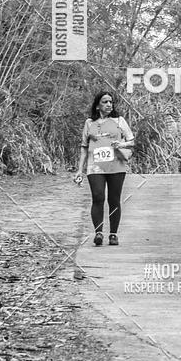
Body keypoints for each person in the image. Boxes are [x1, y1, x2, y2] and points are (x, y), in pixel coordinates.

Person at [75, 91, 135, 246]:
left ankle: (113, 235)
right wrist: (79, 170)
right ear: (97, 106)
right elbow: (83, 147)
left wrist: (120, 144)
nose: (109, 104)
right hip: (95, 167)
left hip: (116, 165)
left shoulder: (119, 121)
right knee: (98, 197)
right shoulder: (89, 123)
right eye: (105, 102)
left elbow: (131, 141)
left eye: (111, 102)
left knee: (114, 200)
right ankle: (99, 233)